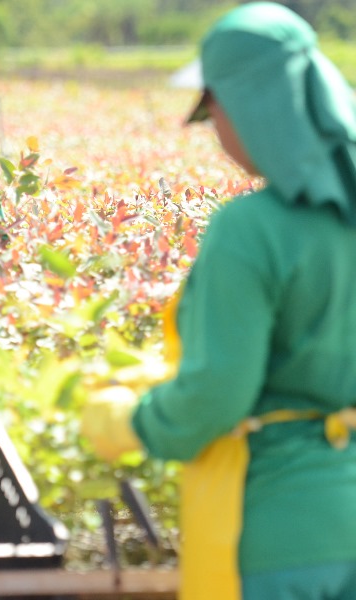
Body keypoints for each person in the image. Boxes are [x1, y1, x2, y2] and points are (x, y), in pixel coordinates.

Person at [82, 3, 356, 599]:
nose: (216, 129)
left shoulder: (252, 229)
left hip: (276, 535)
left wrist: (126, 421)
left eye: (212, 109)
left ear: (250, 107)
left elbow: (217, 395)